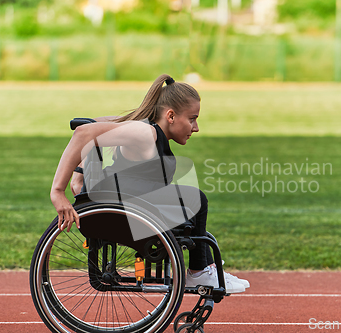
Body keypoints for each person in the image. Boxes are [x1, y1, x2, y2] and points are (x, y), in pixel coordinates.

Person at [50, 74, 249, 293]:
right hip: (115, 209)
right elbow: (84, 132)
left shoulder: (144, 129)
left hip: (125, 204)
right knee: (195, 199)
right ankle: (199, 272)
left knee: (191, 208)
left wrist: (82, 172)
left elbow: (92, 125)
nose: (196, 127)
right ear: (171, 115)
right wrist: (60, 190)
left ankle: (203, 268)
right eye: (192, 119)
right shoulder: (145, 133)